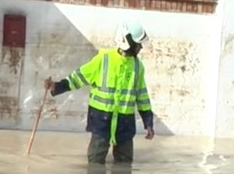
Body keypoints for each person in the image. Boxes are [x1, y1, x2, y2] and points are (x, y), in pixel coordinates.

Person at [44, 20, 155, 165]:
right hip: (101, 121)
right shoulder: (104, 60)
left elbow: (142, 96)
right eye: (138, 44)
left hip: (124, 123)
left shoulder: (137, 66)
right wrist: (57, 86)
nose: (140, 47)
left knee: (125, 165)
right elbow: (79, 77)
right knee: (95, 162)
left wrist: (148, 121)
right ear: (126, 41)